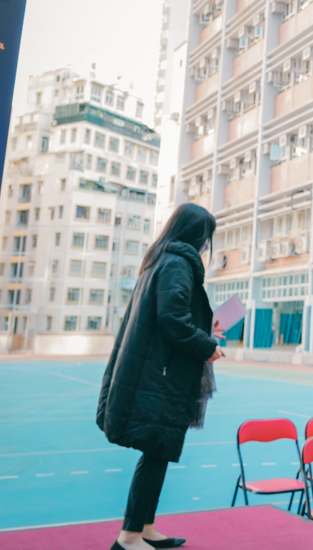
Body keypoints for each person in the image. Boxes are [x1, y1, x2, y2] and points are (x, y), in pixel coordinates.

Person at [97, 203, 225, 550]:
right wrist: (207, 346)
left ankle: (144, 527)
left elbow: (169, 315)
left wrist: (205, 329)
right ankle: (129, 537)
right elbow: (173, 321)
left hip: (155, 373)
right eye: (206, 238)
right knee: (156, 450)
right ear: (197, 235)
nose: (206, 246)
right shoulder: (178, 263)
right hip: (161, 378)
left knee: (158, 451)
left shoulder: (162, 259)